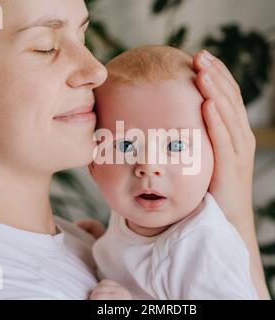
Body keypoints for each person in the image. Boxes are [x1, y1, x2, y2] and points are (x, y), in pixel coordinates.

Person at [0, 0, 269, 299]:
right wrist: (234, 221)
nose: (96, 71)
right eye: (45, 46)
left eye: (82, 36)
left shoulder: (86, 240)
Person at [87, 45, 259, 300]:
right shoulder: (129, 213)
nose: (148, 165)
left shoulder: (205, 249)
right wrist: (104, 243)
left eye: (175, 146)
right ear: (92, 162)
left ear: (214, 157)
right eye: (125, 145)